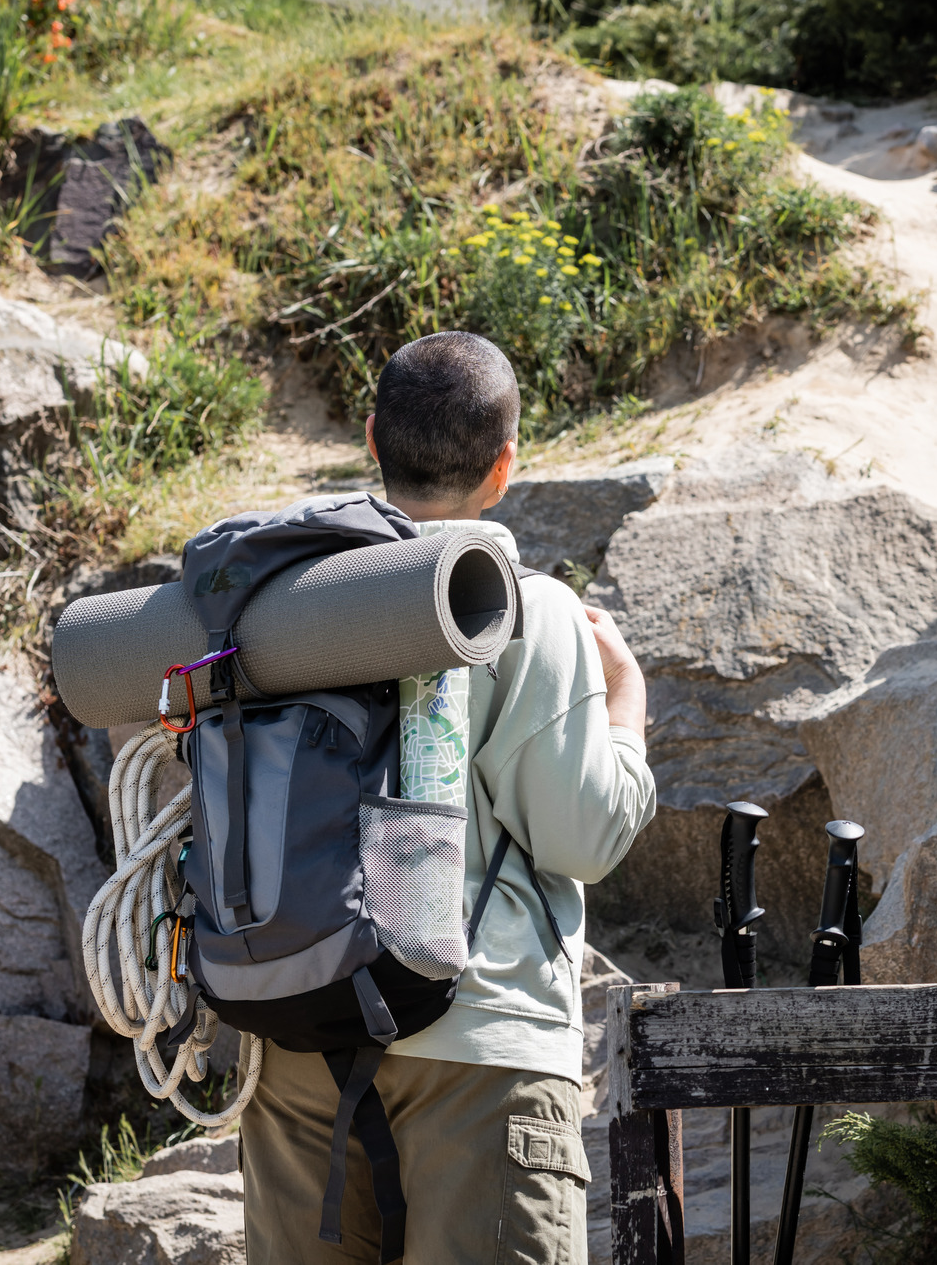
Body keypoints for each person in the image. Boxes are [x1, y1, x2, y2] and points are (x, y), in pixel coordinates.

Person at [240, 330, 656, 1264]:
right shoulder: (526, 607)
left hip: (300, 1035)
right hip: (483, 1042)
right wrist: (625, 705)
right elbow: (582, 835)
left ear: (373, 434)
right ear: (504, 467)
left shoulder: (288, 598)